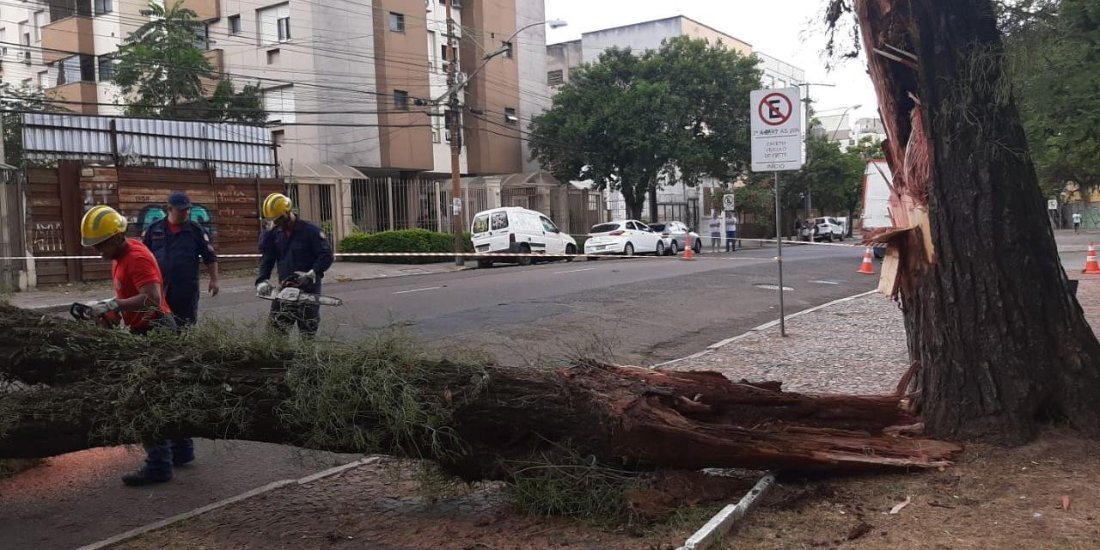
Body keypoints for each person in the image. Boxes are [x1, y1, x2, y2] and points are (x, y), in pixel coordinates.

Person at [77, 205, 192, 487]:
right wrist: (111, 314)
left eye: (100, 245)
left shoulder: (137, 257)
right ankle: (181, 450)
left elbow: (152, 298)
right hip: (147, 329)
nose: (97, 251)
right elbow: (129, 296)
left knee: (143, 399)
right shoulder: (119, 257)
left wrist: (114, 304)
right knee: (165, 394)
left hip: (156, 330)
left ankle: (159, 465)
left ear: (116, 237)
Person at [255, 192, 334, 338]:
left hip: (308, 289)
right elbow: (267, 258)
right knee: (276, 331)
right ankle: (279, 359)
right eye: (274, 221)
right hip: (285, 288)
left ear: (287, 212)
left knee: (307, 331)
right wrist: (262, 280)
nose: (277, 223)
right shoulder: (275, 233)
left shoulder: (310, 231)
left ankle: (306, 358)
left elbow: (326, 256)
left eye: (279, 219)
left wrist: (313, 272)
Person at [142, 191, 220, 327]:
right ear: (170, 209)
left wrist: (214, 279)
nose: (186, 213)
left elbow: (210, 256)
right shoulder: (154, 229)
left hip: (186, 289)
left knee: (185, 325)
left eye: (187, 209)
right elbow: (142, 257)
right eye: (181, 210)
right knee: (159, 325)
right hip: (160, 288)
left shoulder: (196, 230)